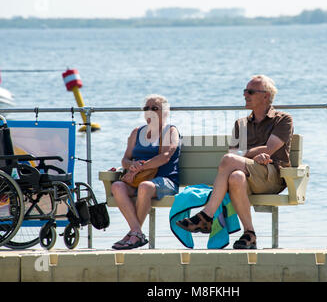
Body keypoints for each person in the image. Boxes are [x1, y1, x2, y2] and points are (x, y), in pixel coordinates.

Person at [176, 75, 293, 249]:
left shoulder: (283, 119)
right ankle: (249, 234)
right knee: (236, 177)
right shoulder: (241, 123)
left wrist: (246, 155)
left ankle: (207, 215)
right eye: (245, 91)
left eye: (250, 92)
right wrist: (252, 156)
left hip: (271, 177)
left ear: (266, 96)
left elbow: (269, 150)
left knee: (230, 161)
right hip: (248, 175)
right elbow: (233, 154)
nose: (245, 95)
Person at [111, 94, 181, 250]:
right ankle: (136, 232)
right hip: (138, 179)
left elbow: (165, 156)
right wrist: (131, 165)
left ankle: (133, 235)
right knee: (117, 186)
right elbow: (125, 160)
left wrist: (140, 167)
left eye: (154, 108)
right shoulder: (137, 132)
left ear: (165, 112)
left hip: (166, 181)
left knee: (145, 187)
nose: (150, 111)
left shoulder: (171, 131)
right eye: (146, 108)